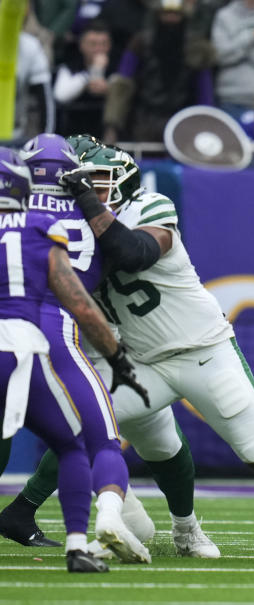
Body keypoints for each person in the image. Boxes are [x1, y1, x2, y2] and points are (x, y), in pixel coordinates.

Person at [51, 144, 254, 563]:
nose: (94, 191)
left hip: (203, 350)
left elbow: (132, 252)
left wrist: (86, 201)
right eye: (87, 185)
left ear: (124, 184)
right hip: (142, 361)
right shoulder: (76, 228)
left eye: (100, 184)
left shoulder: (149, 206)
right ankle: (163, 526)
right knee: (78, 424)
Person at [0, 135, 151, 565]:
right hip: (55, 339)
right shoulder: (92, 215)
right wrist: (118, 359)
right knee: (96, 443)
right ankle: (88, 532)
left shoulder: (17, 210)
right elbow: (84, 300)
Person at [101, 0, 216, 143]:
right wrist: (112, 126)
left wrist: (207, 123)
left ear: (184, 17)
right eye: (166, 14)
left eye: (175, 15)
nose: (170, 19)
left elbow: (204, 91)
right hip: (145, 117)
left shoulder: (197, 47)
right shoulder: (140, 43)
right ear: (157, 16)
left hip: (184, 118)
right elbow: (122, 84)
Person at [53, 21, 113, 138]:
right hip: (73, 136)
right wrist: (90, 73)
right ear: (82, 45)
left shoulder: (117, 68)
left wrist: (109, 90)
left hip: (106, 139)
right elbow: (60, 96)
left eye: (103, 44)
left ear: (110, 46)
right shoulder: (69, 68)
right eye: (93, 44)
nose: (98, 49)